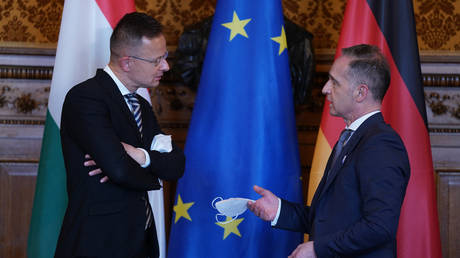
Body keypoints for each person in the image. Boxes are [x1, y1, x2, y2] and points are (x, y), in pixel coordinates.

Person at [248, 44, 410, 258]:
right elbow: (331, 219)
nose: (325, 88)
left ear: (361, 92)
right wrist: (278, 209)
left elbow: (379, 227)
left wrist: (317, 248)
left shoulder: (381, 144)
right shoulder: (352, 138)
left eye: (334, 82)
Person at [55, 12, 185, 258]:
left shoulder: (142, 106)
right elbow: (119, 169)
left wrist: (138, 155)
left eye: (165, 57)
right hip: (98, 243)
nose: (166, 66)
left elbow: (177, 165)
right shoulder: (86, 98)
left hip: (139, 243)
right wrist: (150, 172)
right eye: (157, 60)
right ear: (127, 62)